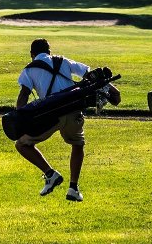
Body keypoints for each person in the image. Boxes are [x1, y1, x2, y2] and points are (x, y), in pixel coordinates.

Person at [12, 39, 98, 202]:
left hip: (51, 115)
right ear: (49, 52)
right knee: (77, 144)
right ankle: (73, 188)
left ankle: (50, 174)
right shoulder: (63, 61)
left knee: (22, 144)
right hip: (74, 110)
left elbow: (24, 94)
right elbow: (88, 73)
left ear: (32, 55)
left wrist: (19, 119)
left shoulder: (29, 70)